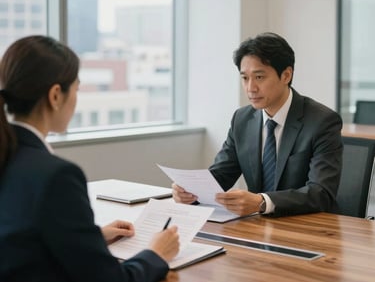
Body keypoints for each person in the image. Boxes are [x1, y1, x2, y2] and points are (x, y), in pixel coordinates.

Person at [0, 35, 179, 282]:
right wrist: (156, 254)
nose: (76, 98)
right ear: (55, 96)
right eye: (76, 89)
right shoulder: (56, 175)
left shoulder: (10, 154)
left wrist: (89, 238)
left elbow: (19, 240)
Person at [173, 32, 343, 217]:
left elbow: (321, 193)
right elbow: (221, 175)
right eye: (245, 78)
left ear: (286, 75)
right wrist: (191, 192)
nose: (250, 88)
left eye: (259, 77)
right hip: (259, 227)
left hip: (308, 227)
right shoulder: (242, 119)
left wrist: (262, 202)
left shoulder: (322, 121)